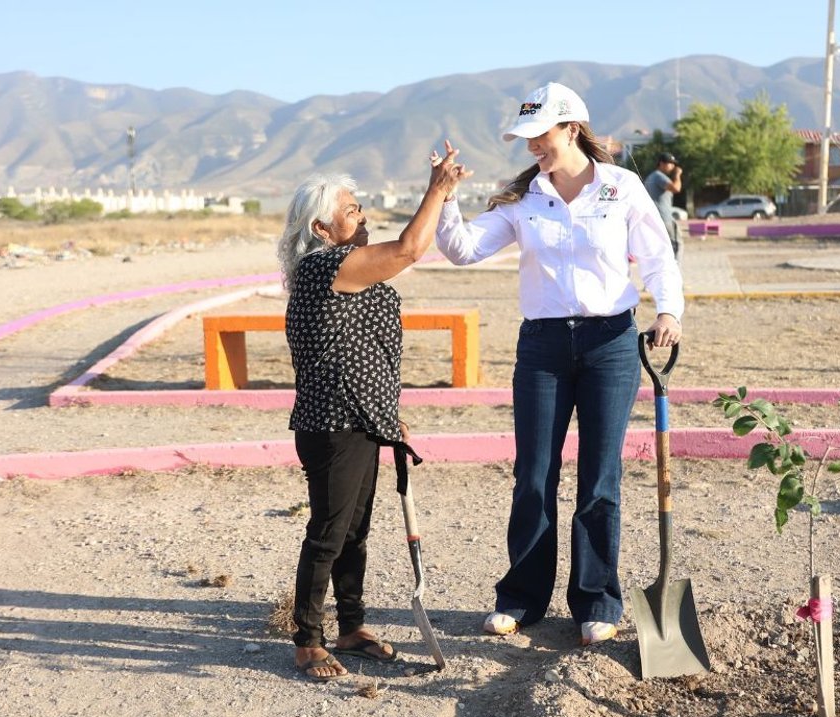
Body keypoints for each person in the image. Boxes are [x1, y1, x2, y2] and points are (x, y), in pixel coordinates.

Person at [432, 82, 685, 647]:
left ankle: (596, 600)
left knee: (600, 477)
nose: (531, 147)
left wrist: (669, 309)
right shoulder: (522, 198)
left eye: (539, 135)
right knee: (534, 474)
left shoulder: (621, 188)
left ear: (571, 127)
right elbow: (464, 249)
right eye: (525, 138)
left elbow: (656, 254)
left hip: (610, 344)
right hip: (543, 347)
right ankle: (521, 597)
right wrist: (446, 196)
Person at [278, 152, 468, 682]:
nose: (362, 217)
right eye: (353, 211)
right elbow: (410, 249)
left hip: (363, 418)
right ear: (321, 228)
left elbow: (362, 349)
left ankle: (351, 627)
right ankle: (308, 641)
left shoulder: (346, 270)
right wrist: (437, 189)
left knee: (354, 531)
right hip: (332, 423)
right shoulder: (323, 267)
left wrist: (390, 412)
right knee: (329, 532)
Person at [644, 152, 684, 258]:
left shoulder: (650, 177)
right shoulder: (659, 176)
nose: (673, 166)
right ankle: (675, 272)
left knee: (661, 249)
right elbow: (676, 188)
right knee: (676, 246)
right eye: (670, 163)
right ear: (661, 163)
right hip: (665, 218)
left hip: (655, 218)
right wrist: (677, 175)